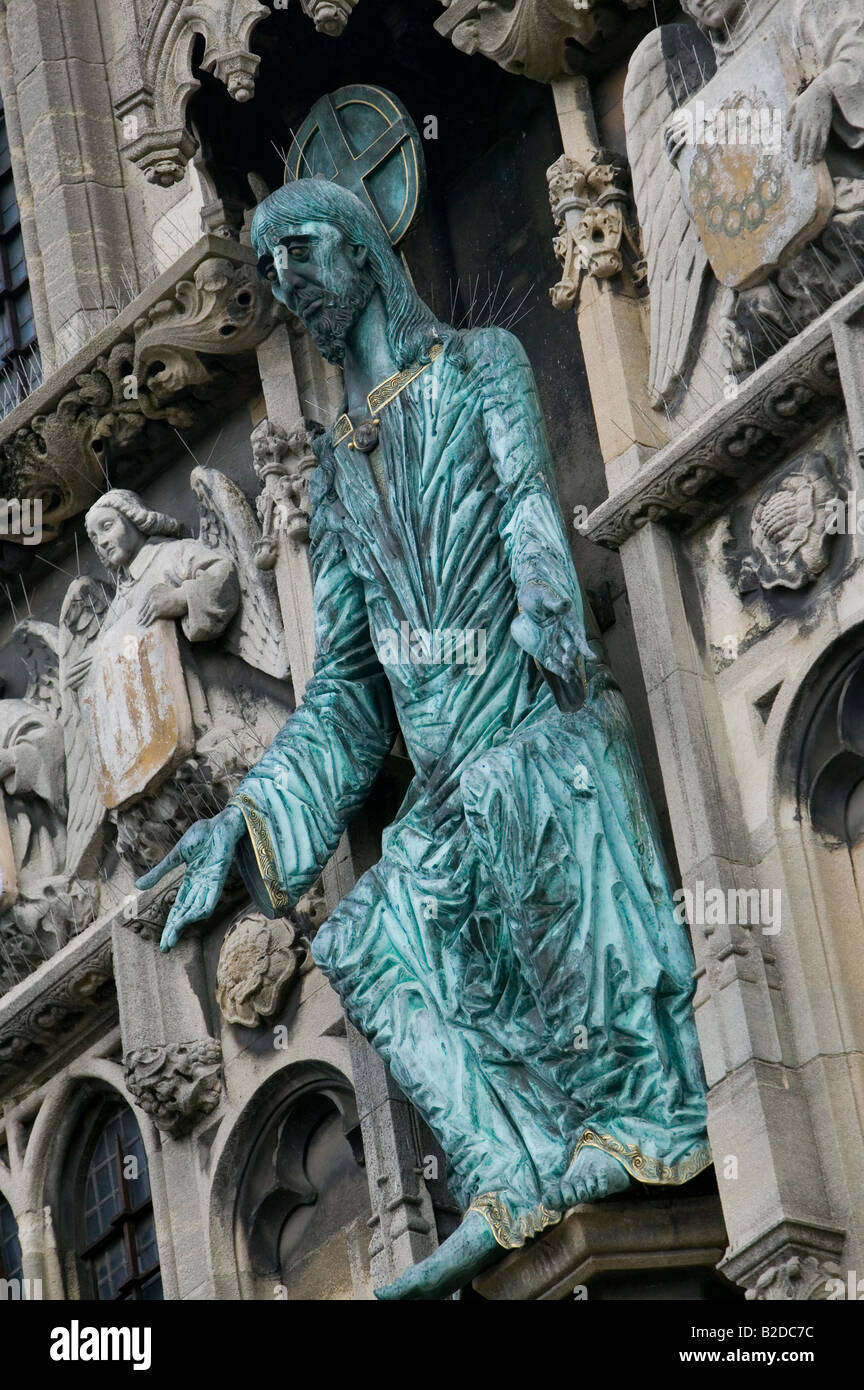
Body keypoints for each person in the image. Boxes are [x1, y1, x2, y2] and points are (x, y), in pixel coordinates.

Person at [138, 177, 709, 1300]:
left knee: (517, 798)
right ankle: (507, 1175)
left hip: (534, 725)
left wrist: (553, 651)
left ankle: (642, 1114)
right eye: (273, 268)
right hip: (450, 783)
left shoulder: (477, 365)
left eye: (303, 250)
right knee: (372, 932)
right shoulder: (341, 471)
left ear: (362, 250)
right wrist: (248, 825)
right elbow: (348, 689)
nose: (290, 281)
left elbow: (532, 520)